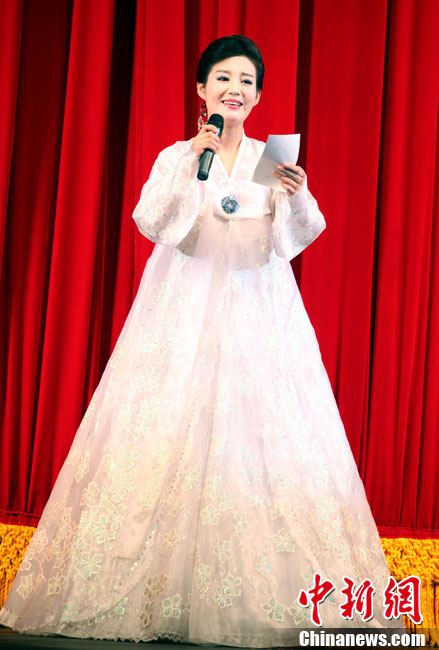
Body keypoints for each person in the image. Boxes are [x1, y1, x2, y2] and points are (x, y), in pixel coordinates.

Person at [0, 35, 401, 647]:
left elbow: (296, 237)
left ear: (258, 96)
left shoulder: (270, 158)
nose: (234, 89)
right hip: (182, 307)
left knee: (260, 437)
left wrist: (296, 194)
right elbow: (152, 221)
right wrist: (194, 159)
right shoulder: (179, 155)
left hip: (258, 309)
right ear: (201, 90)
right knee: (165, 427)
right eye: (223, 78)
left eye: (246, 81)